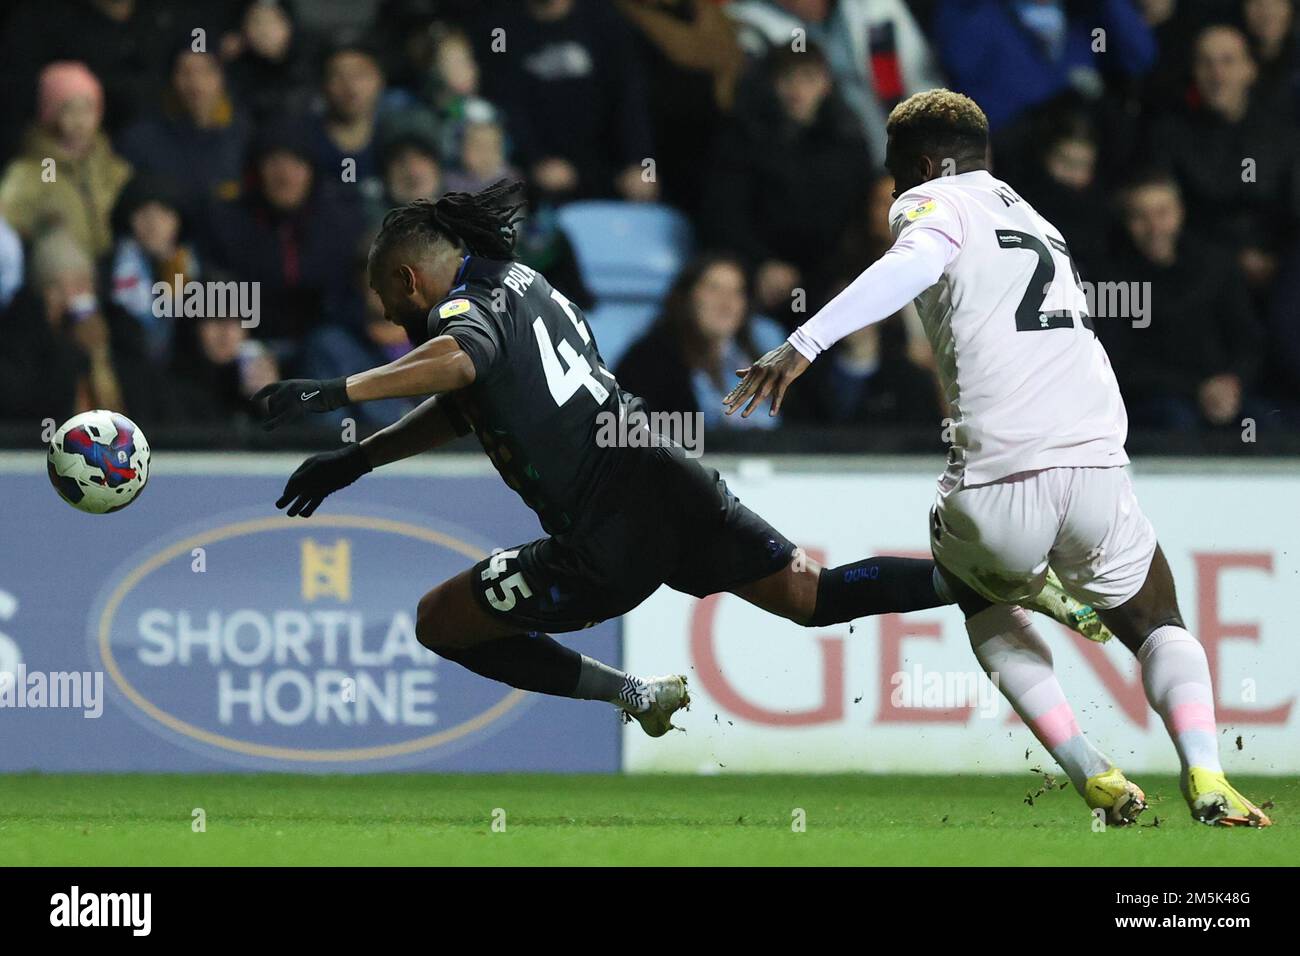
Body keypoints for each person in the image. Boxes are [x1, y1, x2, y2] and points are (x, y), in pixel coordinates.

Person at [249, 181, 1104, 737]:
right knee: (810, 595)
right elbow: (467, 401)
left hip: (605, 533)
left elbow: (460, 360)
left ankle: (633, 695)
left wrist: (339, 392)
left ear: (407, 279)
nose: (398, 324)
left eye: (390, 306)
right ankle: (998, 581)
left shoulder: (464, 310)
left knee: (441, 619)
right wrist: (359, 459)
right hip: (668, 477)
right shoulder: (520, 283)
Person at [724, 89, 1271, 828]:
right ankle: (1206, 772)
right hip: (1097, 471)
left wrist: (803, 342)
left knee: (972, 586)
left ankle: (1091, 770)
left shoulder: (930, 205)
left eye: (895, 173)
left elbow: (914, 259)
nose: (891, 192)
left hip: (1001, 481)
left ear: (921, 165)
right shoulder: (1032, 217)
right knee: (1159, 620)